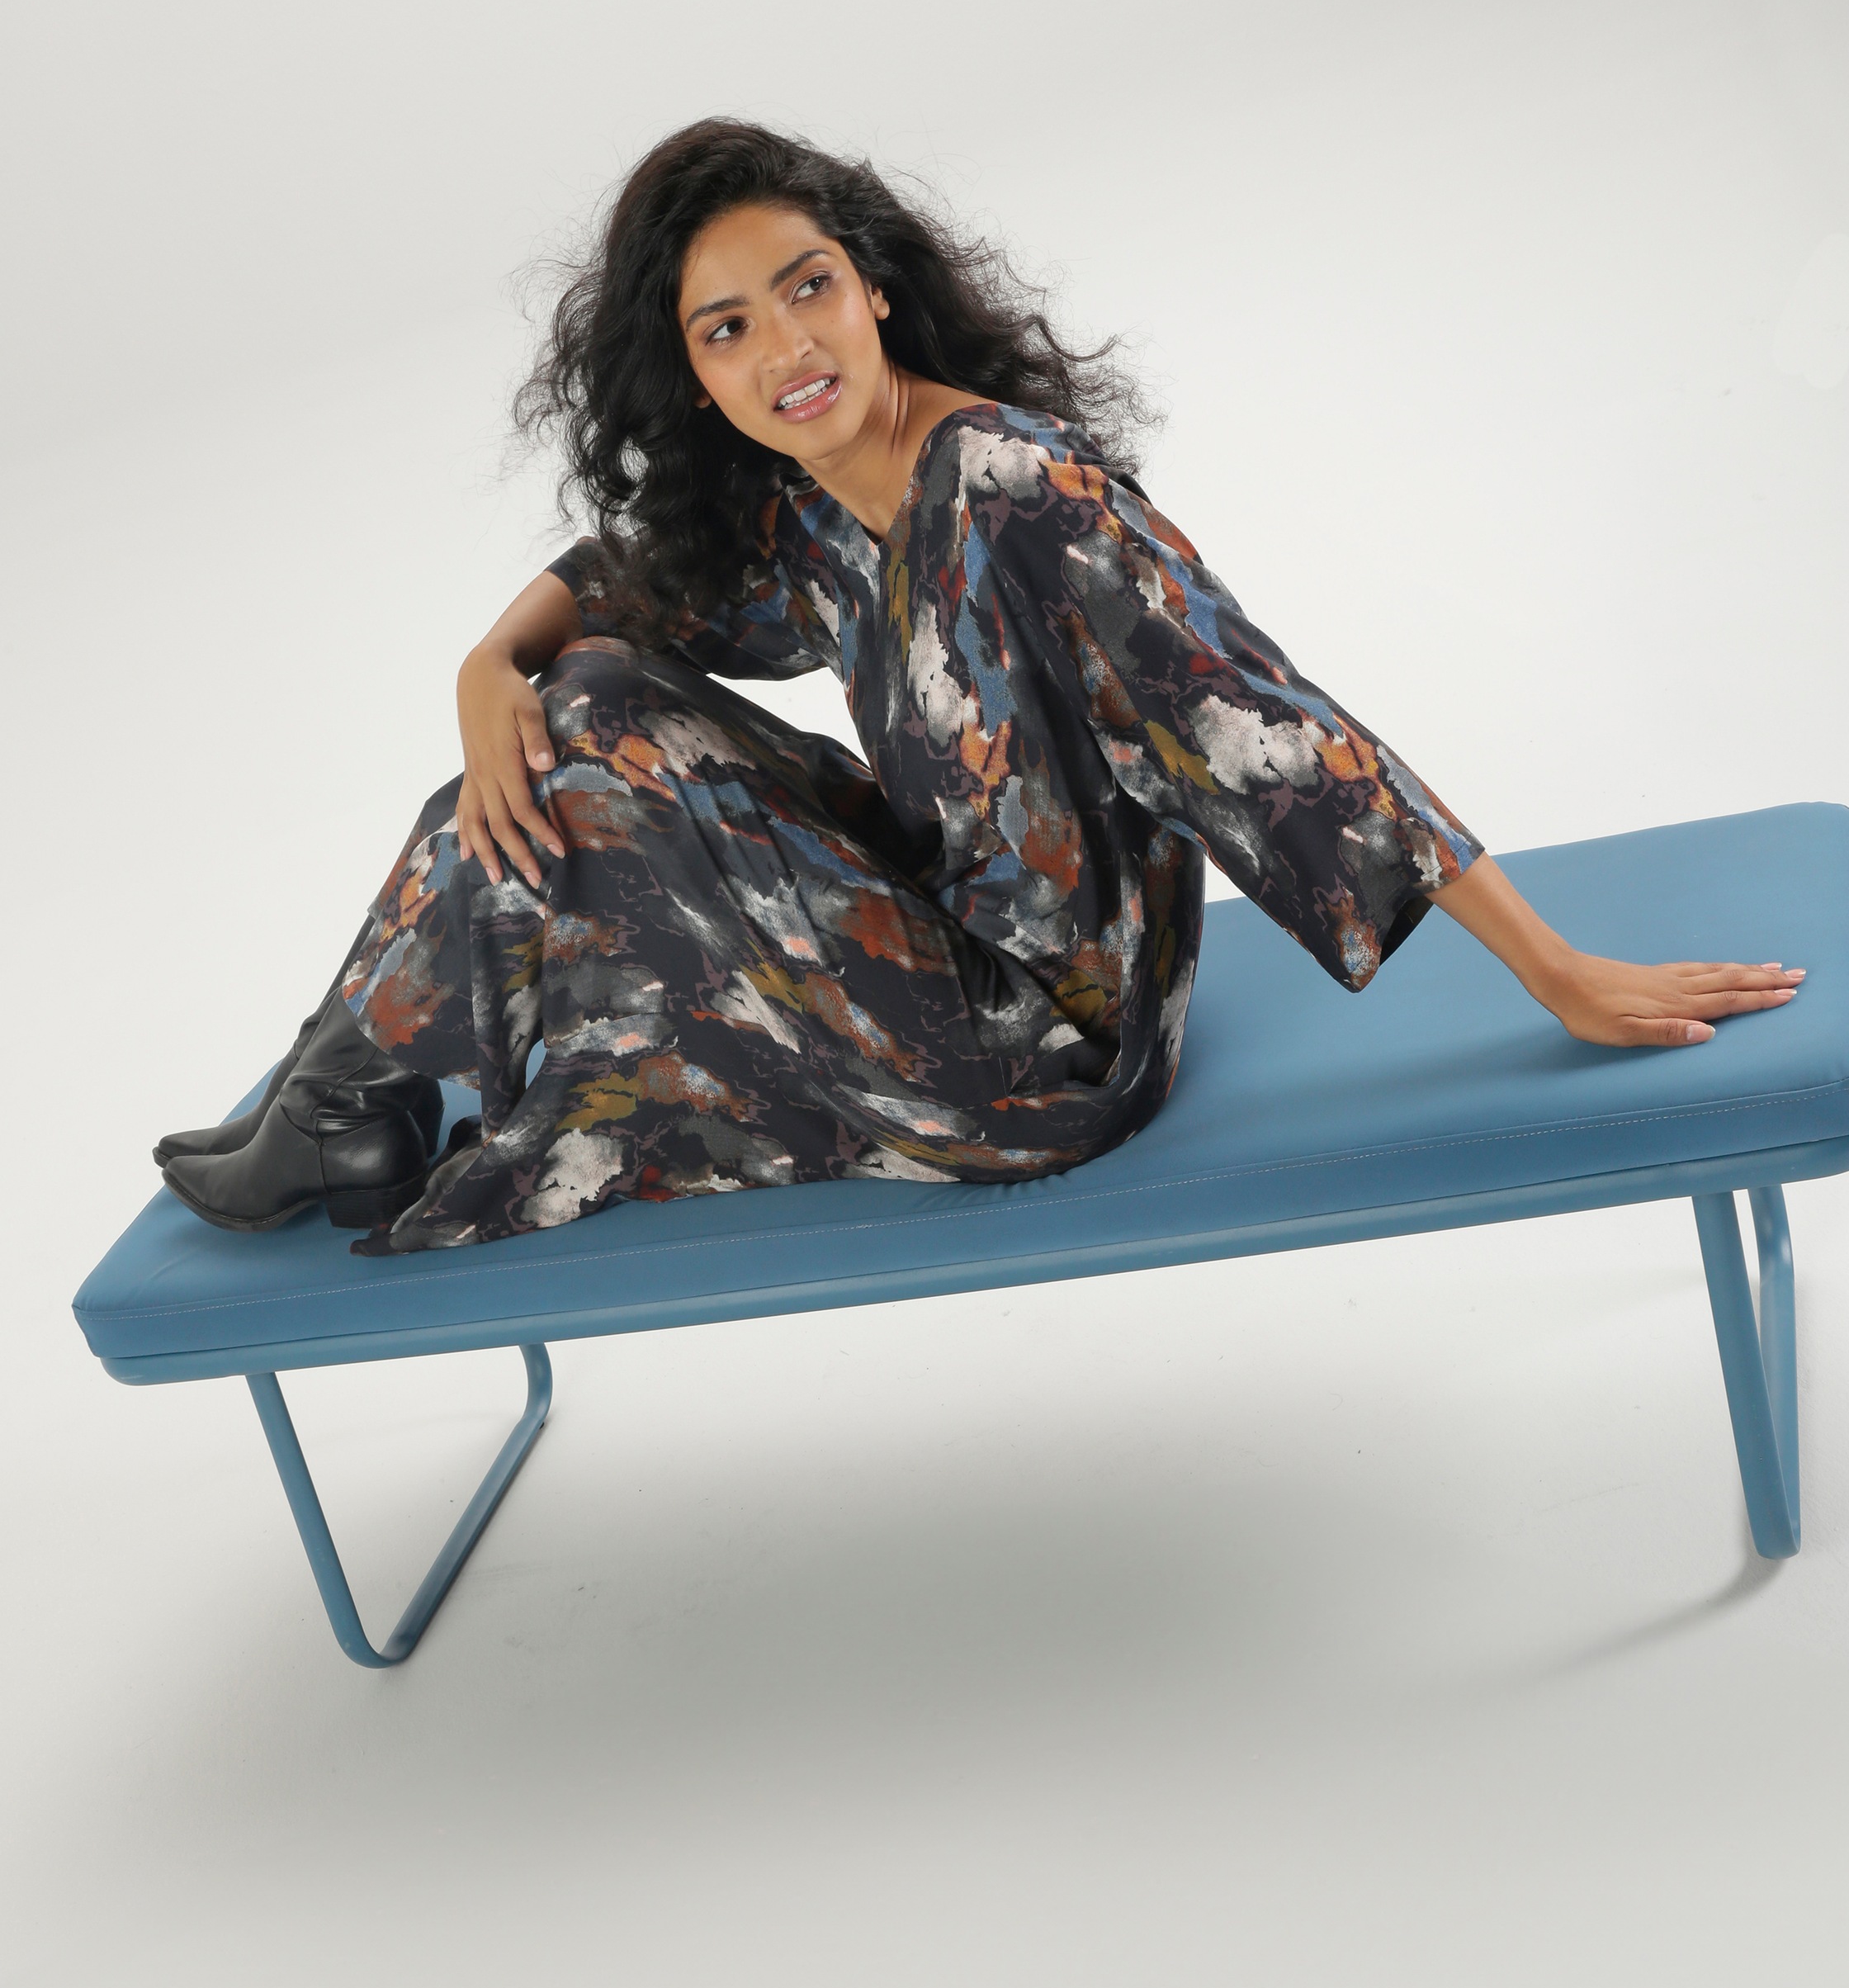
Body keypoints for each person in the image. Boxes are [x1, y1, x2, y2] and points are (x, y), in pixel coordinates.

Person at [156, 120, 1804, 1252]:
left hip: (1036, 1045)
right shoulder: (811, 493)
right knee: (580, 686)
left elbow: (1271, 730)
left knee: (593, 741)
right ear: (696, 376)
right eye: (727, 330)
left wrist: (1559, 974)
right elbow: (619, 586)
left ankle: (341, 1098)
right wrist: (482, 662)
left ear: (873, 281)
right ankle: (345, 1091)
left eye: (807, 285)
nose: (786, 349)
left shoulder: (1012, 490)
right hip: (933, 937)